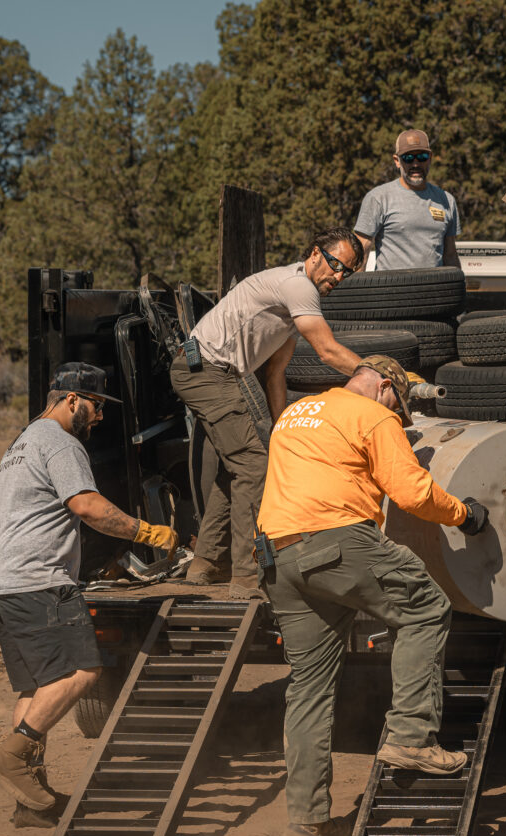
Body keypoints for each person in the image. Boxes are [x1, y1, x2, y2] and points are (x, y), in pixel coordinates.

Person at [256, 355, 489, 836]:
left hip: (279, 555)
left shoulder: (296, 414)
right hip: (338, 540)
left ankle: (307, 818)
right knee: (426, 608)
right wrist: (465, 516)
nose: (397, 417)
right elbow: (411, 492)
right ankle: (411, 737)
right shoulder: (373, 414)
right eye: (398, 407)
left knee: (309, 687)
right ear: (385, 387)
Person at [0, 363, 178, 825]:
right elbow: (86, 506)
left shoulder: (22, 441)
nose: (100, 416)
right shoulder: (60, 442)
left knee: (37, 686)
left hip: (5, 582)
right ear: (71, 400)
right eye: (97, 406)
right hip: (40, 581)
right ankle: (11, 756)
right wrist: (147, 532)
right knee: (84, 670)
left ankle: (32, 800)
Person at [171, 227, 365, 599]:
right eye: (336, 265)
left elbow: (276, 374)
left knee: (238, 467)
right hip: (204, 371)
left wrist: (280, 428)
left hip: (211, 372)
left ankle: (206, 564)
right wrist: (376, 373)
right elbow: (326, 350)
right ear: (314, 254)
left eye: (347, 272)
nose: (338, 277)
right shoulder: (298, 287)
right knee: (254, 467)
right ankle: (246, 578)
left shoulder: (290, 310)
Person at [354, 129, 461, 271]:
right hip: (391, 291)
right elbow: (361, 251)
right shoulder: (378, 198)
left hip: (434, 291)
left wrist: (459, 289)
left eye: (422, 157)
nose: (415, 164)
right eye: (408, 158)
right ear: (397, 161)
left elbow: (450, 255)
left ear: (430, 158)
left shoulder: (446, 200)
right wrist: (354, 291)